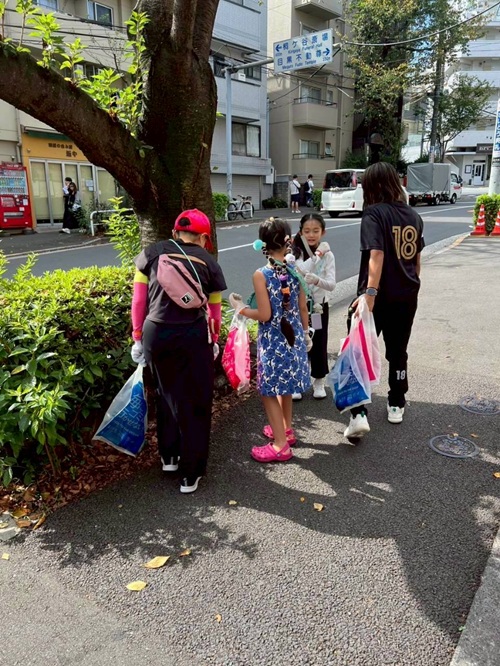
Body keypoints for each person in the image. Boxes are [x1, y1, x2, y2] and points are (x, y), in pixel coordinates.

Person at [130, 209, 227, 493]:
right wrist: (214, 339)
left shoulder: (151, 254)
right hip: (192, 335)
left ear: (175, 232)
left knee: (165, 391)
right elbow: (214, 311)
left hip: (156, 333)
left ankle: (169, 457)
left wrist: (137, 337)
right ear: (204, 237)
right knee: (196, 400)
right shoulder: (209, 262)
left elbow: (139, 301)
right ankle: (190, 474)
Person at [343, 162, 424, 441]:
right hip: (407, 295)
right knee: (398, 350)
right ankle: (396, 403)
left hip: (376, 298)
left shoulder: (374, 213)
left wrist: (370, 294)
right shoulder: (413, 215)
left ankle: (358, 413)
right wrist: (410, 284)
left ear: (373, 186)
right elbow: (416, 260)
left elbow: (376, 255)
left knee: (358, 351)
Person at [229, 217, 312, 463]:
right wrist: (306, 334)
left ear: (262, 244)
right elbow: (303, 307)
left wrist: (240, 307)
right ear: (288, 241)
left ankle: (280, 445)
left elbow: (265, 315)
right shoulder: (294, 270)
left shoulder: (261, 274)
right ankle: (286, 430)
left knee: (268, 391)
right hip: (294, 339)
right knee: (284, 388)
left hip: (274, 342)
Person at [292, 212, 336, 400]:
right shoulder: (294, 253)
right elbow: (299, 271)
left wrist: (317, 281)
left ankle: (319, 380)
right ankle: (297, 381)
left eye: (315, 231)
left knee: (318, 342)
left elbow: (331, 284)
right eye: (307, 231)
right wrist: (317, 255)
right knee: (297, 342)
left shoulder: (329, 255)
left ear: (323, 232)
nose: (311, 235)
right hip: (298, 308)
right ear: (301, 232)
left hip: (318, 308)